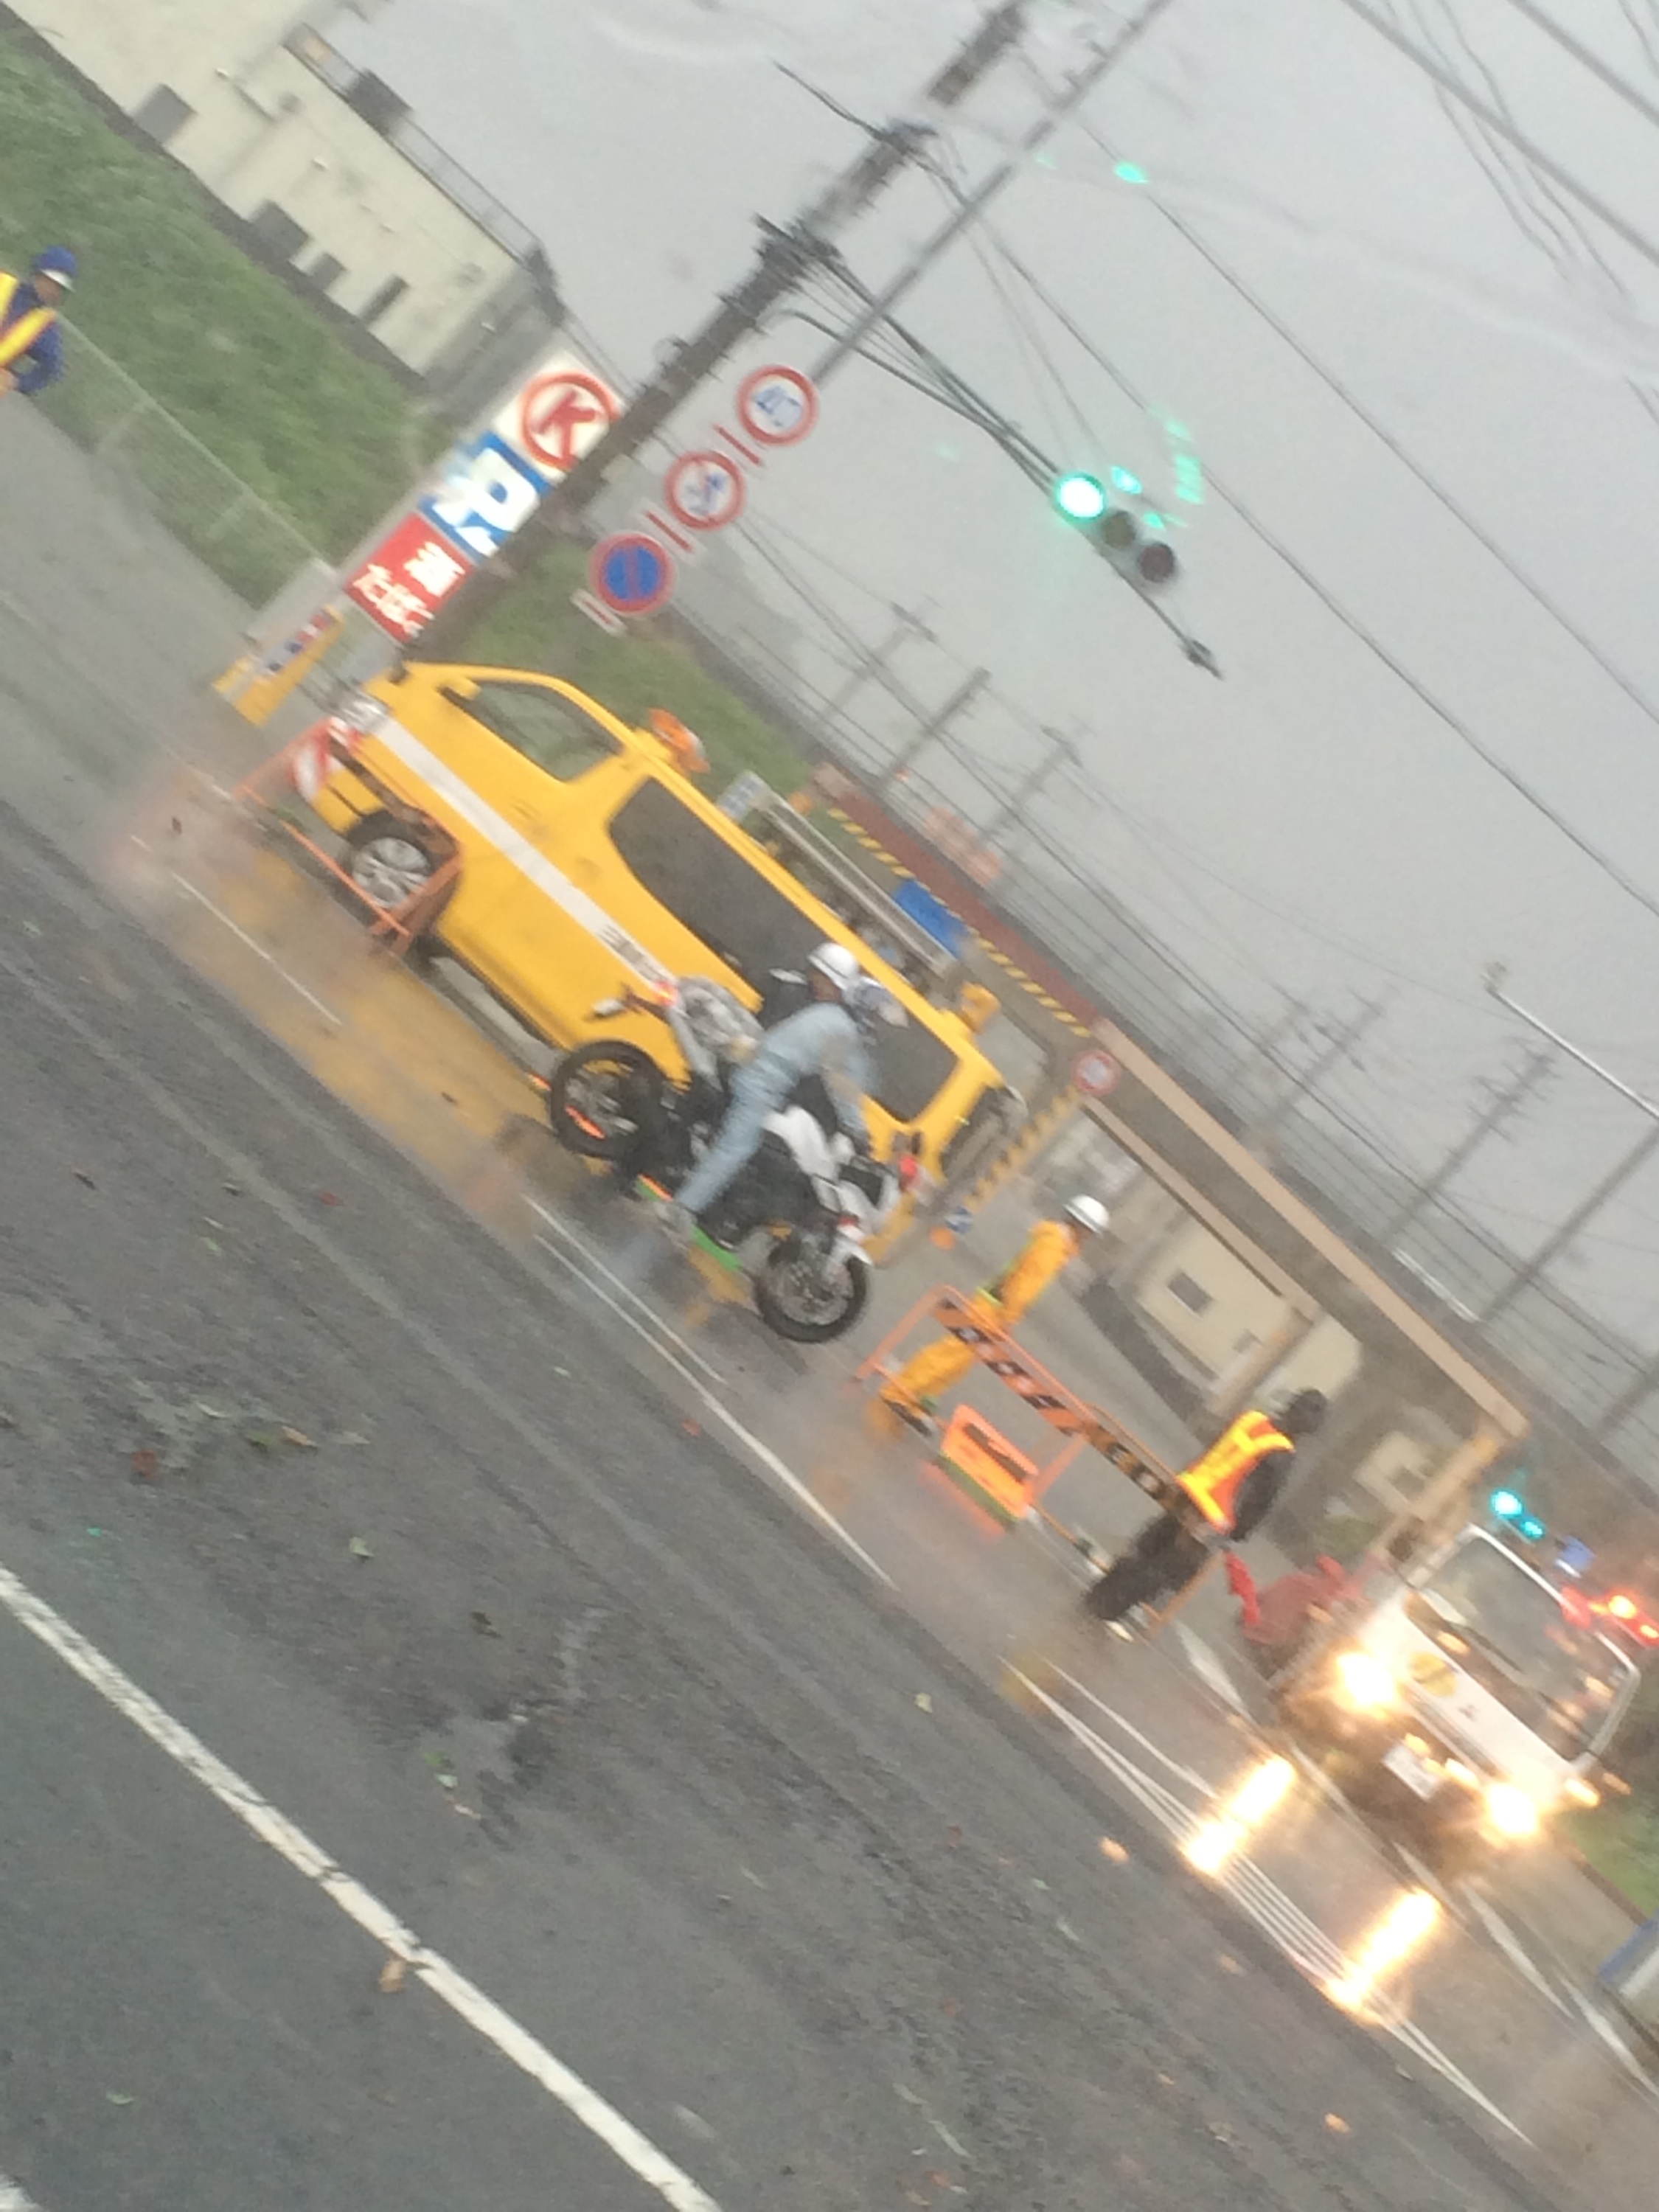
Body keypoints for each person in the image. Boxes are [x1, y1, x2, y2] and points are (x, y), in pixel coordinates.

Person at [661, 941, 883, 1242]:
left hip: (758, 1069)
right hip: (762, 1081)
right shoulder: (841, 1030)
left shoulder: (829, 1014)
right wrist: (859, 1134)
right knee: (738, 1147)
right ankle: (681, 1209)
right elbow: (843, 1087)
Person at [1083, 1388, 1328, 1624]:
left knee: (1150, 1545)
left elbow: (1217, 1446)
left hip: (1191, 1490)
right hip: (1213, 1515)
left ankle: (1098, 1595)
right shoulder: (1281, 1453)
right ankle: (1106, 1608)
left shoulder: (1252, 1419)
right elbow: (1259, 1501)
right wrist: (1240, 1532)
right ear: (1307, 1430)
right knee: (1168, 1567)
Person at [882, 1195, 1110, 1433]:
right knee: (950, 1354)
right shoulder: (1053, 1246)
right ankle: (900, 1392)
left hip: (992, 1305)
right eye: (1090, 1233)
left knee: (957, 1361)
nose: (1089, 1238)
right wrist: (1009, 1318)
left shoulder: (1055, 1243)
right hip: (994, 1309)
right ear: (1083, 1228)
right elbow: (1025, 1284)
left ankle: (915, 1399)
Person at [0, 247, 75, 398]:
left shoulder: (45, 327)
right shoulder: (3, 282)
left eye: (59, 287)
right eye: (50, 281)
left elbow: (51, 368)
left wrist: (18, 382)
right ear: (37, 273)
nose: (53, 290)